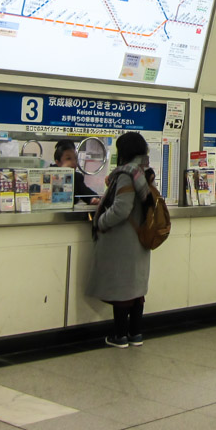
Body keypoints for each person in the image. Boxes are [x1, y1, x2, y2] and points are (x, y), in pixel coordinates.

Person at [86, 132, 153, 348]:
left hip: (123, 240)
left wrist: (101, 222)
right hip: (139, 238)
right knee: (136, 289)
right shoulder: (144, 172)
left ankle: (120, 335)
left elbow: (122, 209)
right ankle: (136, 334)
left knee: (121, 289)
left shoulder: (127, 174)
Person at [54, 139, 100, 205]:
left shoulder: (76, 178)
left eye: (75, 158)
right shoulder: (49, 176)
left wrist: (93, 199)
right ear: (58, 162)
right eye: (68, 158)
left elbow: (87, 193)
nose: (74, 162)